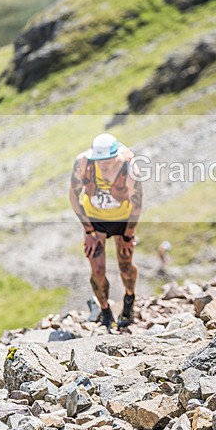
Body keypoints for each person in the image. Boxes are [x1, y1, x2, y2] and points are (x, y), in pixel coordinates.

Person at [69, 133, 142, 331]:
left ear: (116, 155)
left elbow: (137, 203)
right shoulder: (83, 163)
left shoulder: (129, 165)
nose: (103, 165)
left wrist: (128, 234)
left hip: (122, 218)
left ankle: (129, 300)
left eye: (107, 161)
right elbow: (74, 196)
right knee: (98, 270)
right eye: (99, 161)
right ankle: (105, 309)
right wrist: (88, 230)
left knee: (125, 266)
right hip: (95, 219)